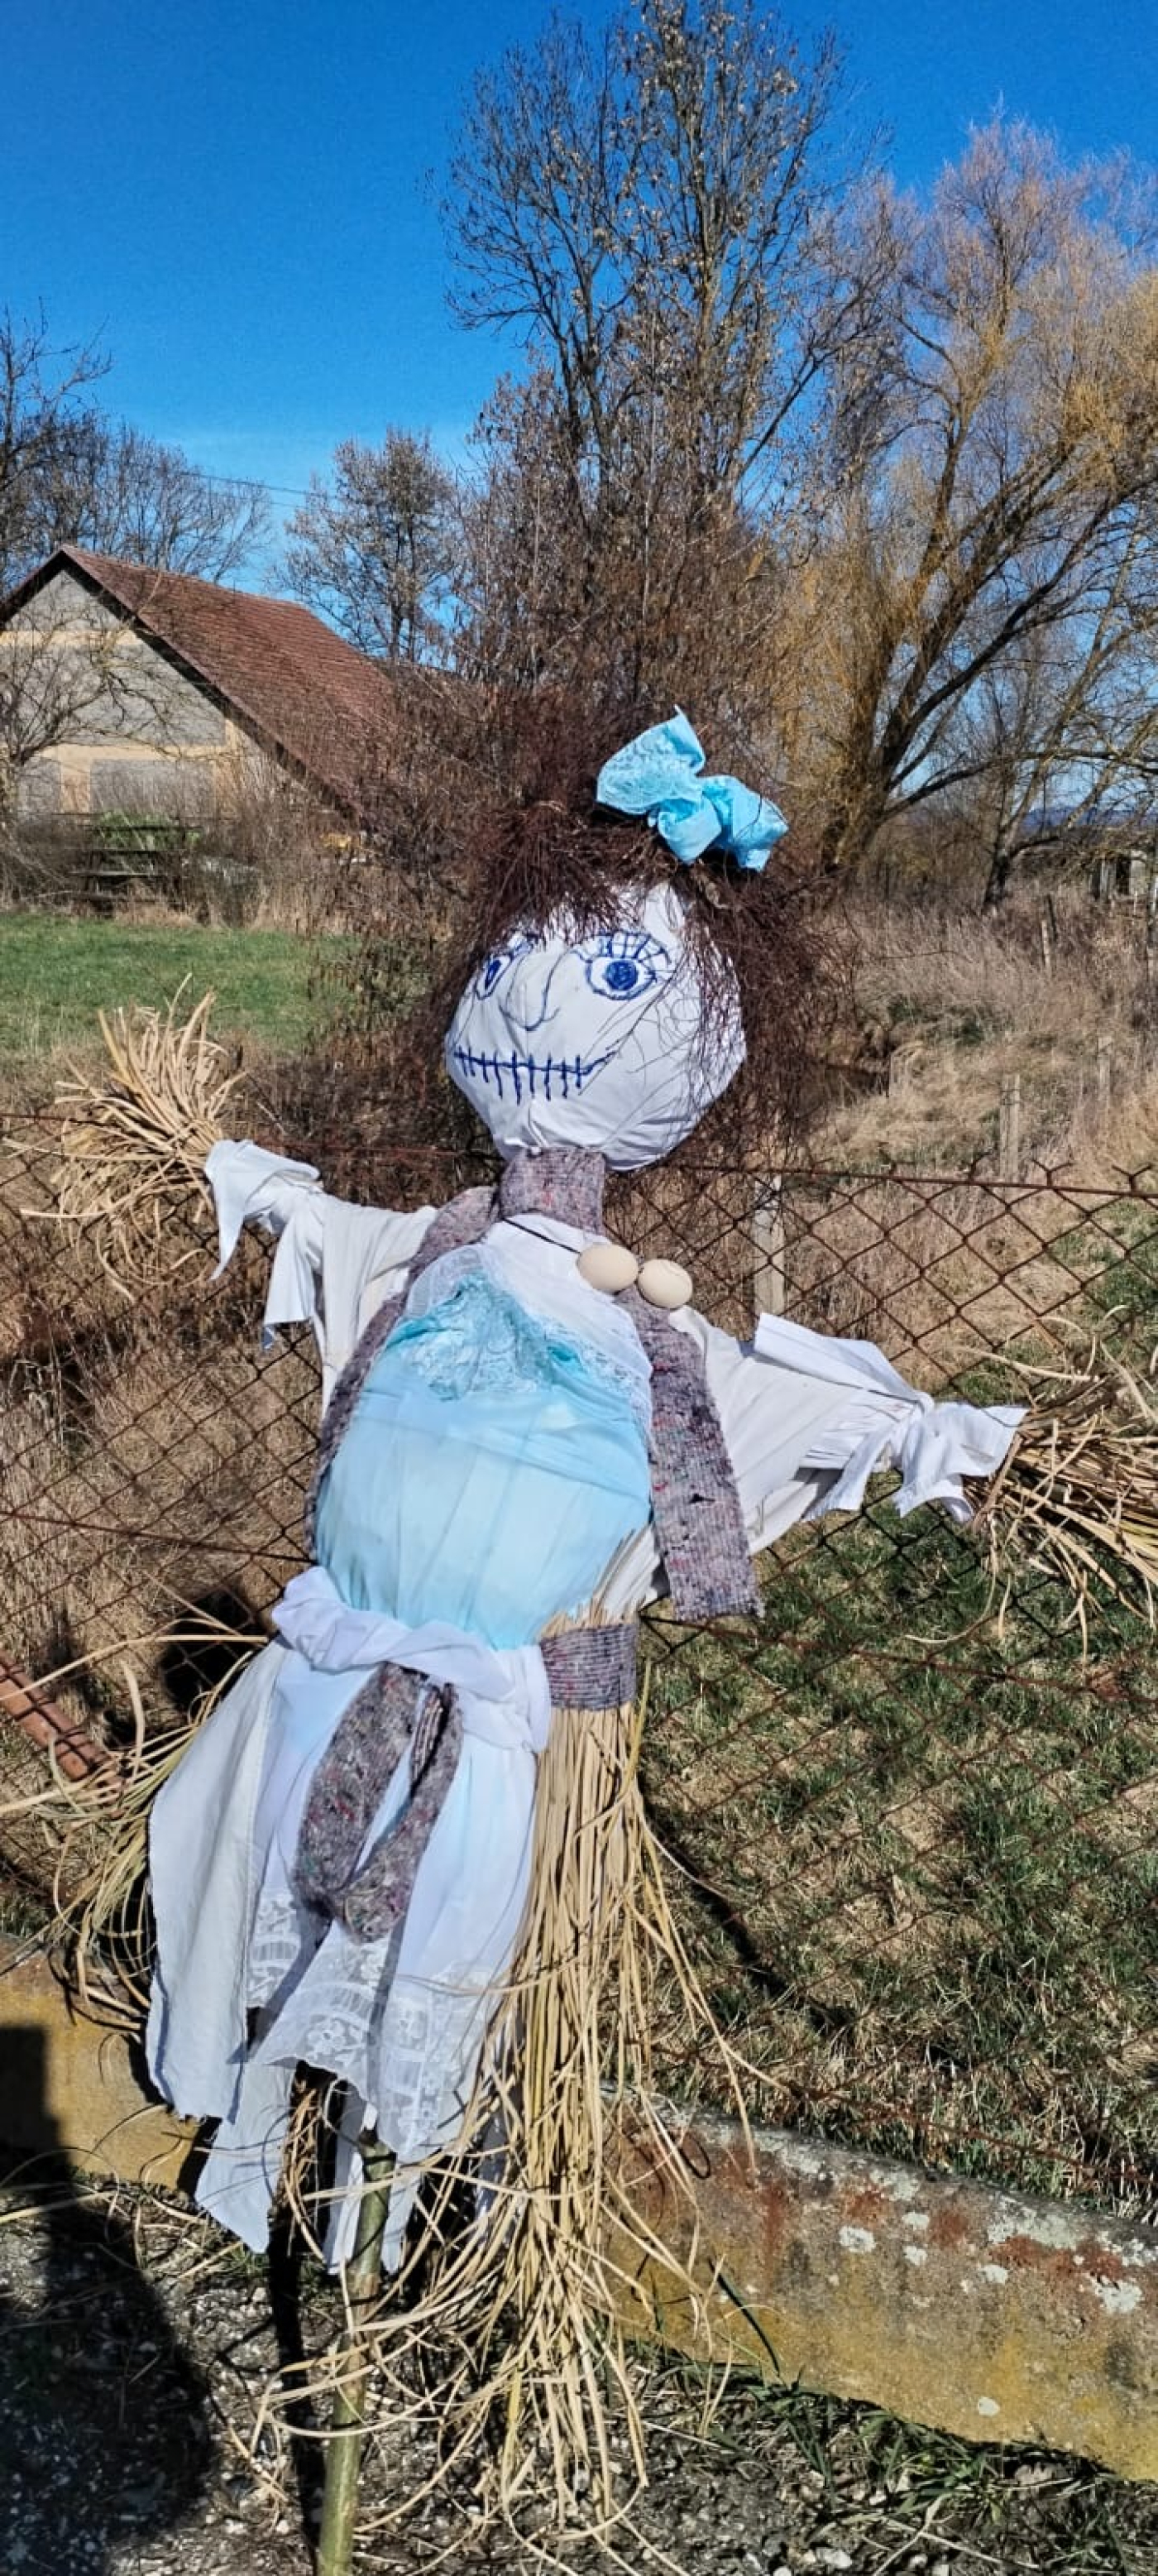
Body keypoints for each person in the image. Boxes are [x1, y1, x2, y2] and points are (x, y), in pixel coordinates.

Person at [144, 712, 1019, 2264]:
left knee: (434, 1989)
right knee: (281, 1930)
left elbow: (807, 1411)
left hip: (503, 1747)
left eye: (612, 976)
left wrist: (940, 1437)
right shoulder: (427, 1254)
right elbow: (308, 1222)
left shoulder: (662, 1349)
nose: (538, 999)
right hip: (322, 1686)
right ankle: (281, 2166)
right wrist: (226, 1172)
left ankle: (395, 2234)